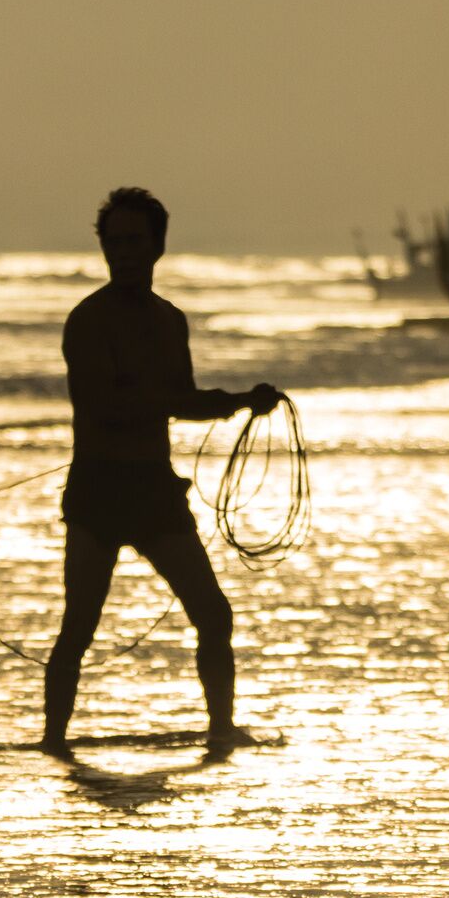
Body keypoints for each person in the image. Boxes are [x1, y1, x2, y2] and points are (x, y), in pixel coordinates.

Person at [46, 186, 277, 756]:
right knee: (79, 625)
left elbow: (181, 399)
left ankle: (221, 729)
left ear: (157, 247)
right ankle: (52, 740)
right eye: (113, 242)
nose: (123, 253)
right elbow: (107, 406)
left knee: (213, 615)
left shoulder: (171, 321)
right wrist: (200, 401)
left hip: (154, 493)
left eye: (134, 241)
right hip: (99, 493)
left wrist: (246, 400)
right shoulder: (87, 321)